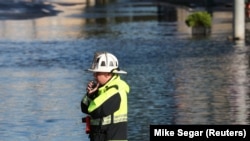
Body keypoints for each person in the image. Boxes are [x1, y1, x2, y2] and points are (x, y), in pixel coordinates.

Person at [81, 52, 130, 141]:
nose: (94, 75)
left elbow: (93, 110)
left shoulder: (116, 90)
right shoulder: (103, 88)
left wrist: (94, 94)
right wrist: (90, 95)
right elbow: (84, 108)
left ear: (108, 73)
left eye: (97, 72)